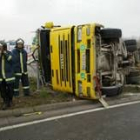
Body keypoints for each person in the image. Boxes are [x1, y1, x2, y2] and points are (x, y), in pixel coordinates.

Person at [0, 42, 15, 110]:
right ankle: (5, 102)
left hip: (9, 76)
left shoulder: (9, 53)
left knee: (10, 90)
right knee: (2, 91)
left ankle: (10, 100)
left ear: (4, 47)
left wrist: (5, 53)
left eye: (1, 47)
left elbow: (11, 60)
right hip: (1, 77)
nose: (1, 48)